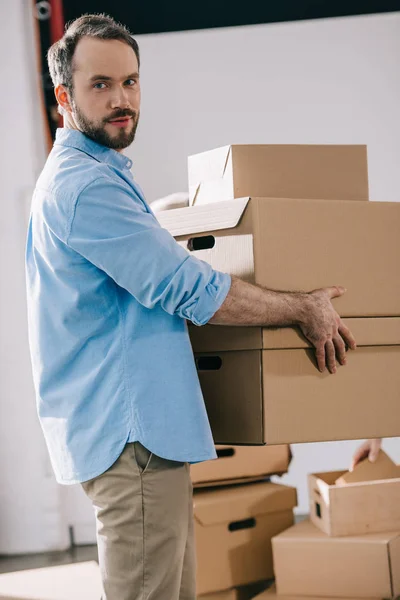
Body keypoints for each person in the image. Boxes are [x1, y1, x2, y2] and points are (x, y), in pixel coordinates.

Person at [25, 13, 357, 600]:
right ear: (64, 97)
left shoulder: (89, 176)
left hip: (136, 441)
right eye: (100, 84)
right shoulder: (86, 187)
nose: (121, 98)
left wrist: (173, 216)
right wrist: (300, 307)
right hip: (134, 441)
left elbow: (123, 258)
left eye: (130, 81)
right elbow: (187, 290)